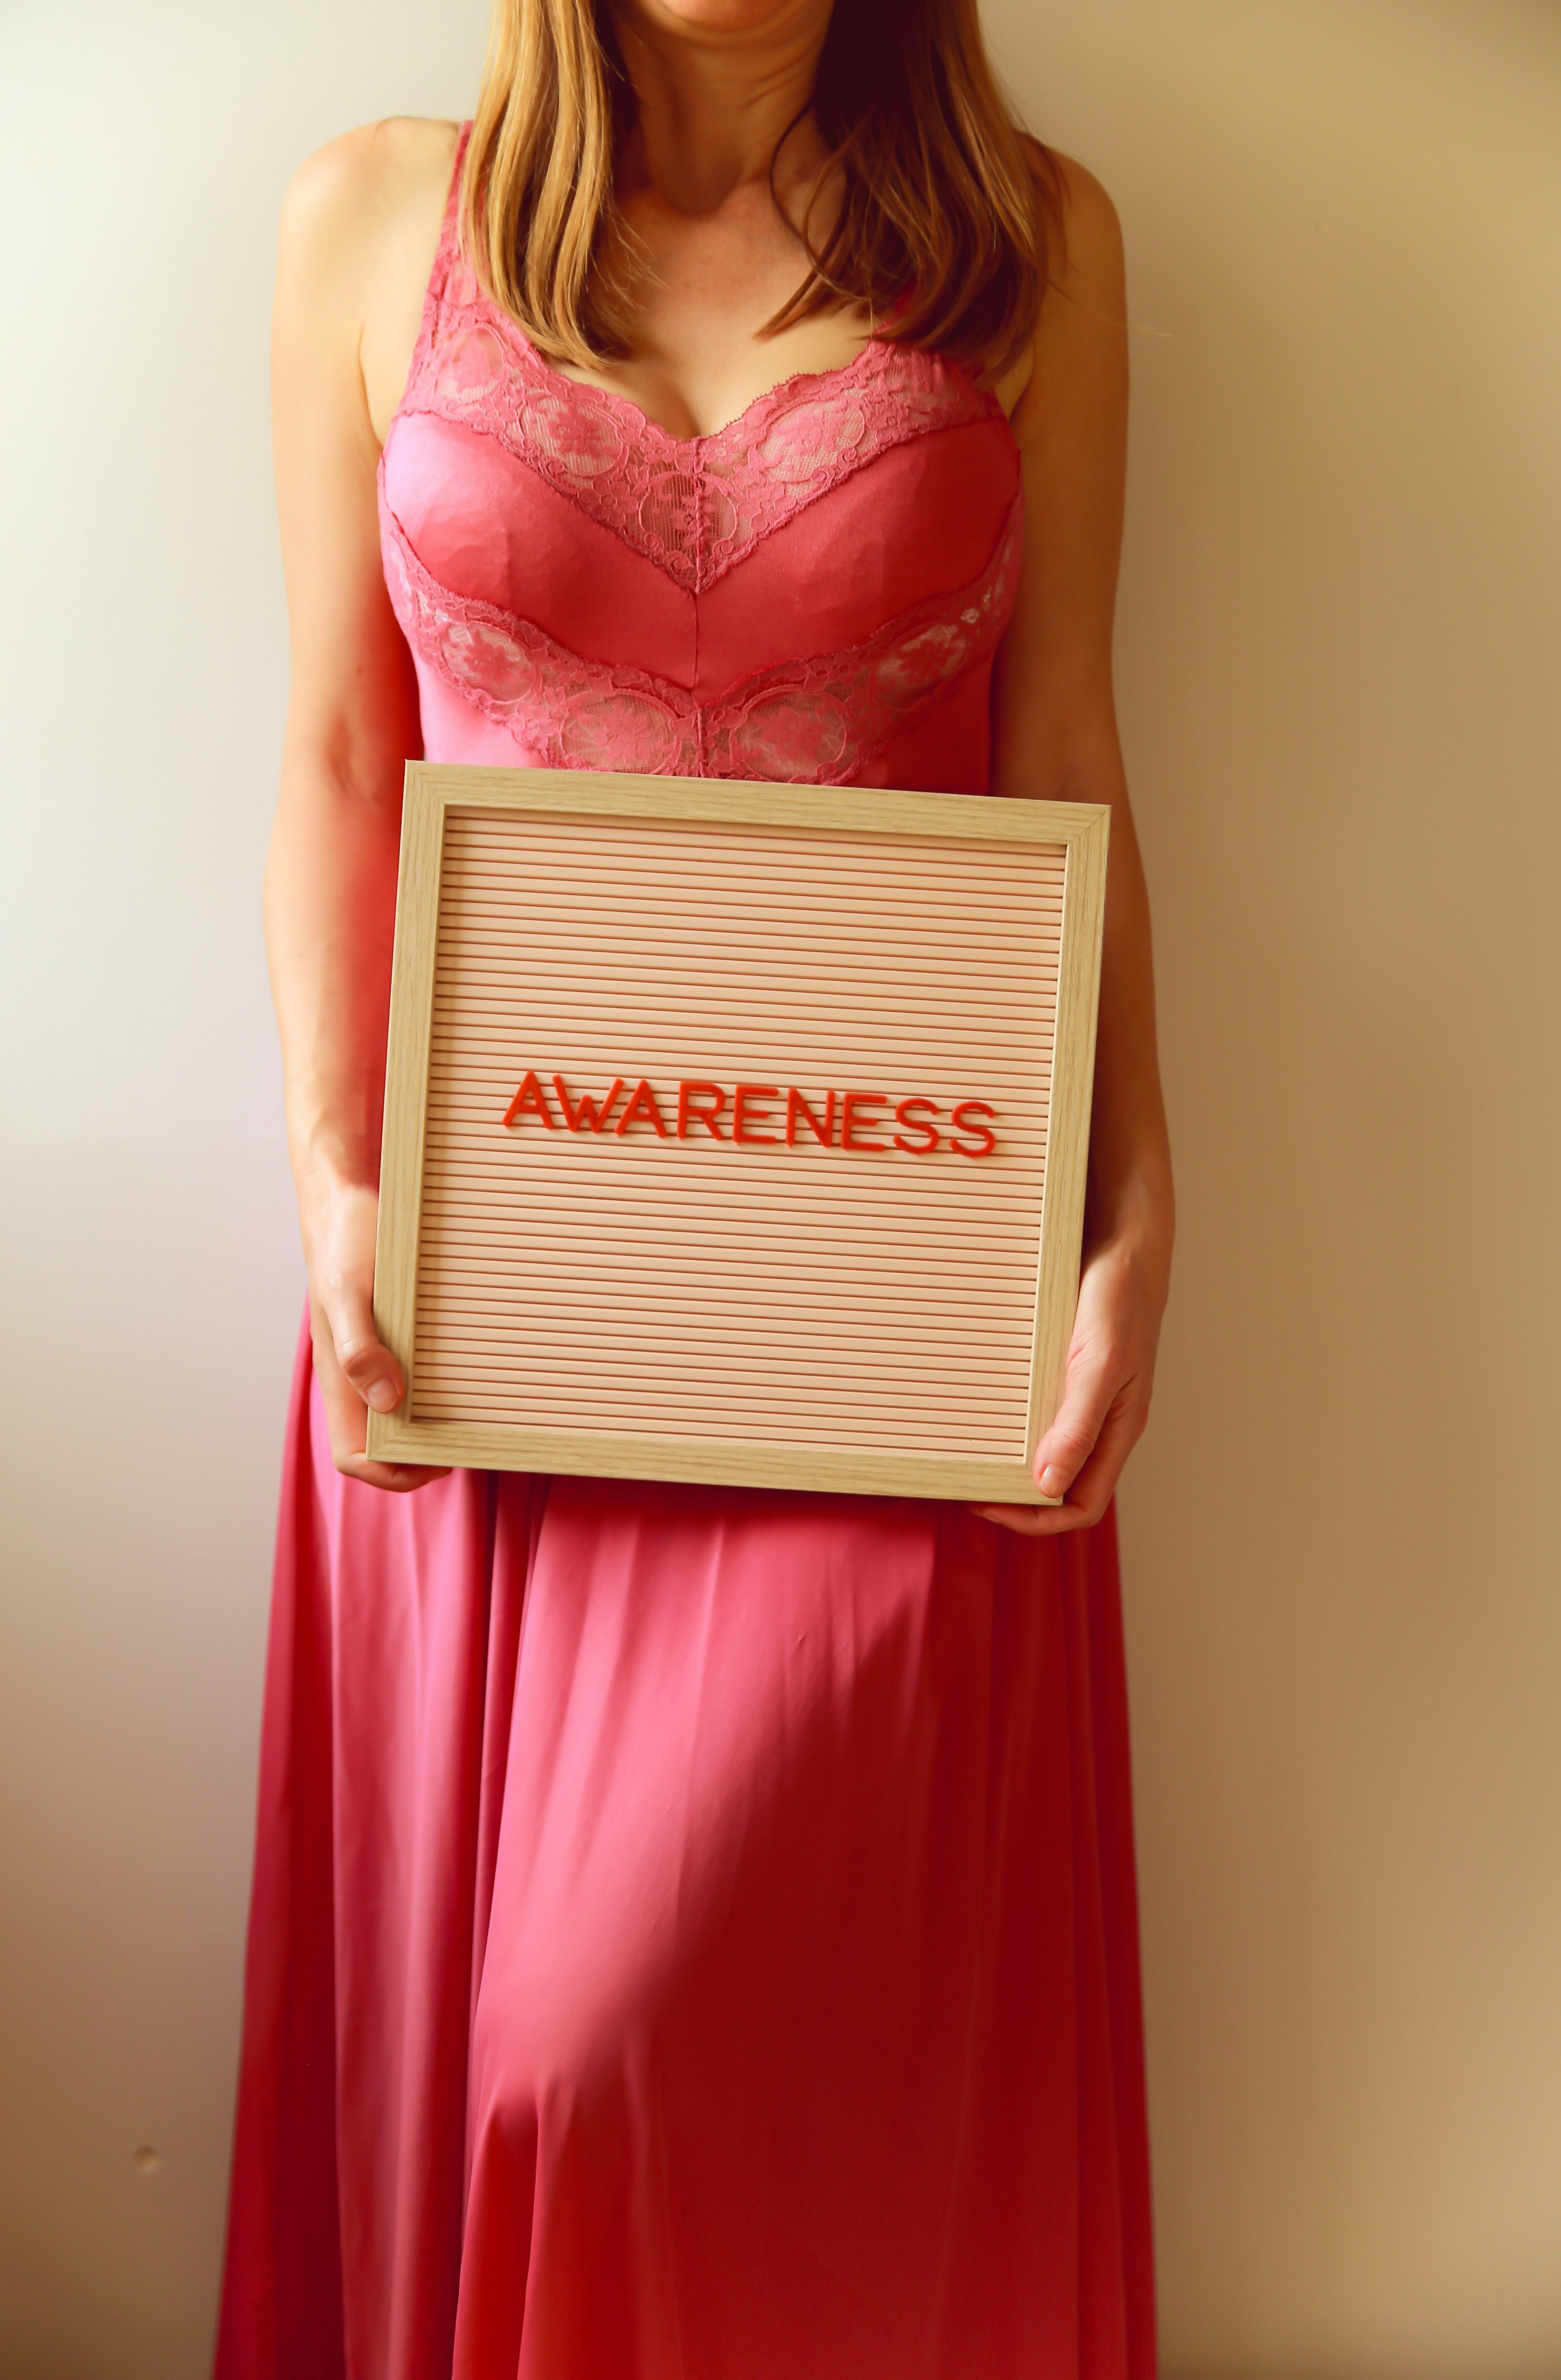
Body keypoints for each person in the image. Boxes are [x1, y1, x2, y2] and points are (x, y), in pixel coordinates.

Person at [214, 0, 1174, 2369]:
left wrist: (1141, 1203)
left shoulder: (1036, 249)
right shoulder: (366, 215)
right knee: (546, 2070)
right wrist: (338, 1182)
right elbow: (339, 750)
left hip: (882, 1304)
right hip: (472, 1293)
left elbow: (1063, 756)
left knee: (609, 2037)